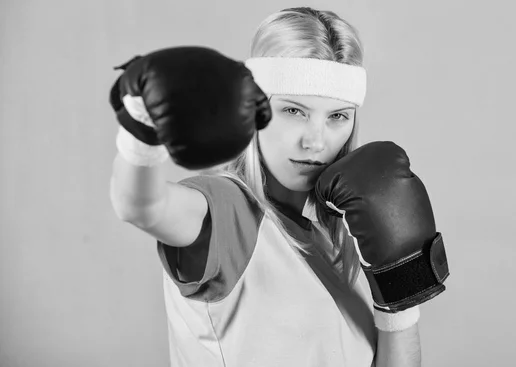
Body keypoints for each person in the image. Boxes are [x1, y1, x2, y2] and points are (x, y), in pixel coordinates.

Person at [109, 6, 448, 367]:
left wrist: (400, 300)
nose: (315, 141)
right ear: (256, 109)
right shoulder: (227, 215)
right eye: (293, 111)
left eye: (337, 116)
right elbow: (142, 207)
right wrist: (140, 129)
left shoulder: (348, 229)